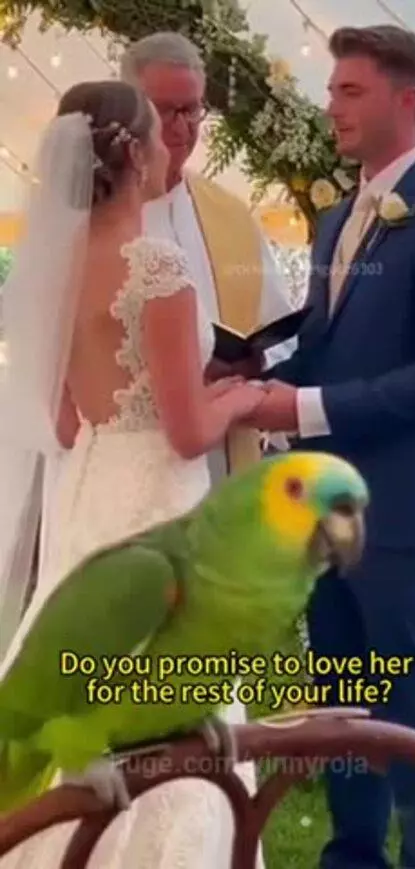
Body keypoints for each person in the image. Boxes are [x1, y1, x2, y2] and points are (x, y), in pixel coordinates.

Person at [0, 80, 267, 867]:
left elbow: (60, 421)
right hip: (158, 500)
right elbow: (187, 432)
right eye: (159, 133)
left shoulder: (54, 264)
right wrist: (239, 395)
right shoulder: (159, 266)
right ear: (133, 152)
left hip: (88, 494)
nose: (167, 148)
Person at [244, 24, 415, 869]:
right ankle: (351, 857)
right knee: (341, 706)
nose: (330, 104)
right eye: (333, 88)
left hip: (405, 515)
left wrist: (300, 405)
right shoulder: (336, 216)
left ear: (406, 98)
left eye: (350, 90)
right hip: (328, 515)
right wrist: (243, 381)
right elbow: (323, 346)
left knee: (412, 711)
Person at [119, 30, 296, 484]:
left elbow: (280, 330)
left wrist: (254, 360)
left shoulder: (233, 217)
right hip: (131, 455)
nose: (182, 127)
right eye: (166, 110)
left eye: (192, 108)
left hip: (220, 454)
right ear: (129, 109)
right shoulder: (99, 219)